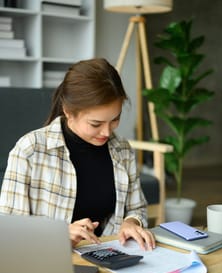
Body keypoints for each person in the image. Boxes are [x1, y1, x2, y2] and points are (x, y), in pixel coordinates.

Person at [0, 58, 155, 251]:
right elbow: (10, 233)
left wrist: (132, 223)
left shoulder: (122, 149)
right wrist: (59, 236)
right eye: (95, 124)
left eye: (115, 119)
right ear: (68, 111)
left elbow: (136, 208)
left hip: (111, 256)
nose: (107, 132)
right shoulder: (30, 150)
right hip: (50, 260)